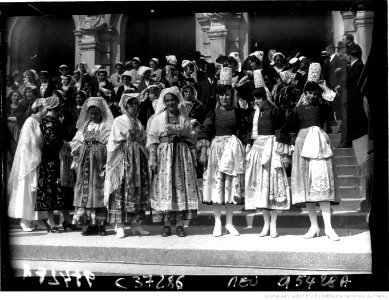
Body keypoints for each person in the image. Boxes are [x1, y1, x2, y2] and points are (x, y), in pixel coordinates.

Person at [285, 75, 340, 241]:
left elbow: (335, 104)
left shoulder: (322, 107)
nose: (312, 96)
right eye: (309, 93)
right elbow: (289, 126)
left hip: (319, 145)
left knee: (321, 184)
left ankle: (329, 228)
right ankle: (314, 226)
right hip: (302, 145)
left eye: (315, 93)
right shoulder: (298, 109)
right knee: (306, 186)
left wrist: (324, 89)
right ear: (305, 93)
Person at [199, 69, 248, 237]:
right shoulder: (213, 113)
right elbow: (204, 132)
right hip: (217, 152)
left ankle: (230, 223)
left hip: (233, 151)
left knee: (230, 187)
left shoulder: (238, 113)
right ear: (218, 97)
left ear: (231, 96)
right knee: (217, 186)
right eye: (222, 95)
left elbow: (244, 132)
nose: (224, 98)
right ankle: (218, 223)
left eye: (227, 95)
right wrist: (204, 152)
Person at [147, 86, 200, 237]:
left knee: (180, 188)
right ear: (164, 103)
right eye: (167, 101)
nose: (170, 103)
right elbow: (152, 139)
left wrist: (192, 155)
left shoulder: (184, 118)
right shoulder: (158, 119)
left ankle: (180, 225)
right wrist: (152, 157)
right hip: (164, 156)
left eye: (173, 100)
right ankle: (166, 225)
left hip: (181, 156)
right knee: (166, 188)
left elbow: (190, 138)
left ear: (178, 101)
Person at [245, 85, 290, 238]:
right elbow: (250, 134)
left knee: (272, 184)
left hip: (271, 149)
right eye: (255, 98)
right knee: (261, 188)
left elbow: (281, 130)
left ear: (266, 98)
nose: (258, 101)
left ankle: (274, 225)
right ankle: (265, 224)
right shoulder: (254, 115)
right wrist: (249, 145)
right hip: (258, 149)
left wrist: (283, 153)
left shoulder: (274, 112)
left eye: (260, 98)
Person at [104, 93, 150, 238]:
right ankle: (119, 226)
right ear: (125, 106)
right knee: (121, 188)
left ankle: (136, 224)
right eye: (131, 104)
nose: (134, 107)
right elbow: (114, 141)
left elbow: (143, 138)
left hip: (139, 159)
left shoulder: (138, 121)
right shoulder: (119, 120)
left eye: (136, 104)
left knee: (137, 190)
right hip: (124, 158)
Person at [35, 96, 81, 233]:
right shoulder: (48, 120)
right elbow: (52, 139)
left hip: (58, 158)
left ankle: (66, 221)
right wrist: (66, 144)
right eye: (59, 105)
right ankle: (52, 223)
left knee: (62, 189)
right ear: (56, 107)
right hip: (51, 159)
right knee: (51, 189)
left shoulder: (53, 120)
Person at [70, 97, 113, 236]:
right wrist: (78, 149)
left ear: (101, 113)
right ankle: (89, 224)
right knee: (85, 193)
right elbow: (76, 141)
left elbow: (110, 144)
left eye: (96, 113)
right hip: (85, 164)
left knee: (98, 192)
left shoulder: (106, 126)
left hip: (99, 163)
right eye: (91, 113)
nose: (93, 116)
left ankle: (100, 224)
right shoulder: (85, 126)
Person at [8, 98, 48, 231]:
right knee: (27, 189)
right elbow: (27, 143)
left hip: (38, 158)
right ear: (40, 109)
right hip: (29, 161)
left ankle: (36, 219)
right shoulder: (30, 122)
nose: (47, 111)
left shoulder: (41, 122)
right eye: (46, 108)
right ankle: (24, 220)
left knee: (37, 192)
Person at [336, 47, 367, 148]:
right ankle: (350, 139)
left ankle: (347, 141)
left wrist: (340, 73)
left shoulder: (359, 65)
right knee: (354, 118)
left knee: (350, 119)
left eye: (346, 56)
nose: (345, 58)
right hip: (350, 96)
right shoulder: (353, 65)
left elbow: (348, 79)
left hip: (353, 96)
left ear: (350, 56)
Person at [321, 44, 343, 124]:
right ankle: (332, 121)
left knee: (336, 104)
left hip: (335, 85)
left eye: (326, 50)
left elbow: (341, 74)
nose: (325, 52)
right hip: (328, 86)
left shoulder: (338, 59)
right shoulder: (327, 60)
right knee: (329, 103)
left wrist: (339, 84)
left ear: (330, 50)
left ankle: (338, 122)